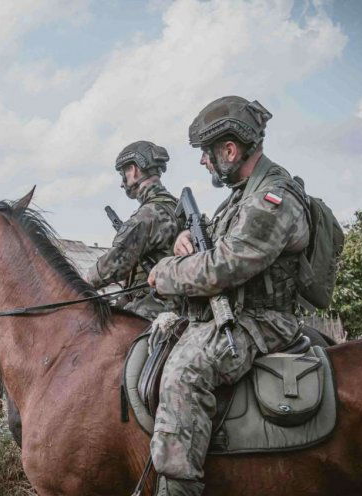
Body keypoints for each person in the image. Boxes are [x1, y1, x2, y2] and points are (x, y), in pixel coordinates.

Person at [145, 97, 311, 495]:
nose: (204, 162)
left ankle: (178, 486)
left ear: (230, 150)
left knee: (184, 372)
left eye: (207, 153)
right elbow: (218, 243)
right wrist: (187, 238)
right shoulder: (242, 194)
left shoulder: (273, 198)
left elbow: (225, 266)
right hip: (234, 311)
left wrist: (165, 272)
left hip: (263, 319)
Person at [85, 141, 180, 320]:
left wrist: (80, 284)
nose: (122, 183)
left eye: (123, 173)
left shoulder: (147, 215)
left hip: (159, 306)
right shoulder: (174, 206)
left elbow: (112, 265)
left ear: (135, 170)